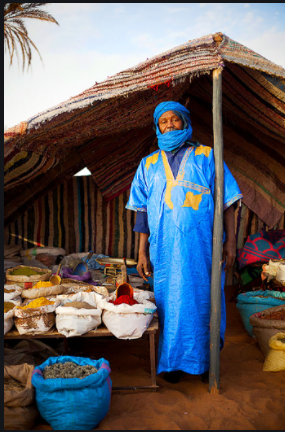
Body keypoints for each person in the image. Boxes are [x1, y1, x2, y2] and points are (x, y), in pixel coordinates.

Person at [126, 101, 243, 383]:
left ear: (185, 123)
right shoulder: (148, 164)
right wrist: (142, 252)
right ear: (157, 127)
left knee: (205, 300)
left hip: (203, 248)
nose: (169, 125)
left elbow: (228, 203)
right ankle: (174, 364)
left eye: (174, 120)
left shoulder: (207, 156)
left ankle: (205, 363)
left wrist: (230, 244)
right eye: (163, 121)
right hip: (164, 251)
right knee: (170, 304)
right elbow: (142, 213)